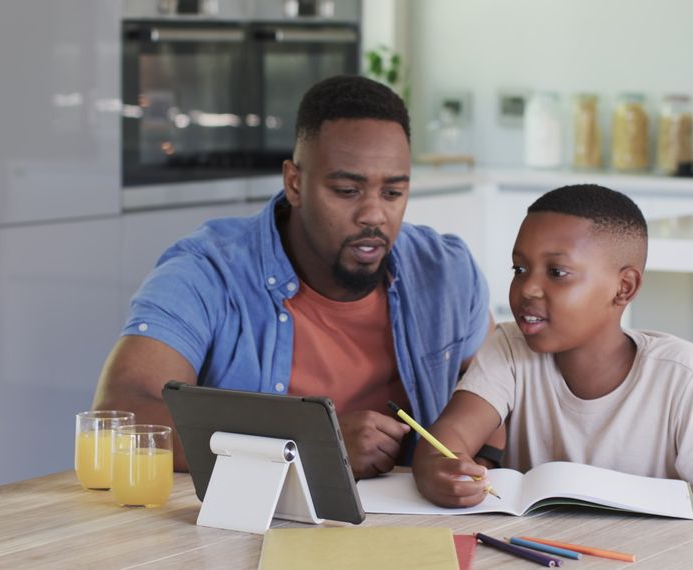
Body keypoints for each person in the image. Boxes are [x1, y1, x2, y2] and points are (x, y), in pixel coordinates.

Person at [93, 75, 496, 479]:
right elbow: (121, 416)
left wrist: (485, 463)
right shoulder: (207, 271)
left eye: (392, 193)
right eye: (346, 191)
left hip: (415, 530)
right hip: (249, 532)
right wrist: (312, 445)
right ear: (295, 183)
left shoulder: (447, 272)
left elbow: (505, 390)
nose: (374, 215)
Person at [413, 184, 693, 507]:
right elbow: (448, 439)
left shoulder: (684, 374)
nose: (527, 288)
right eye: (519, 268)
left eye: (557, 272)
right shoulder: (510, 348)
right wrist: (439, 469)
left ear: (624, 287)